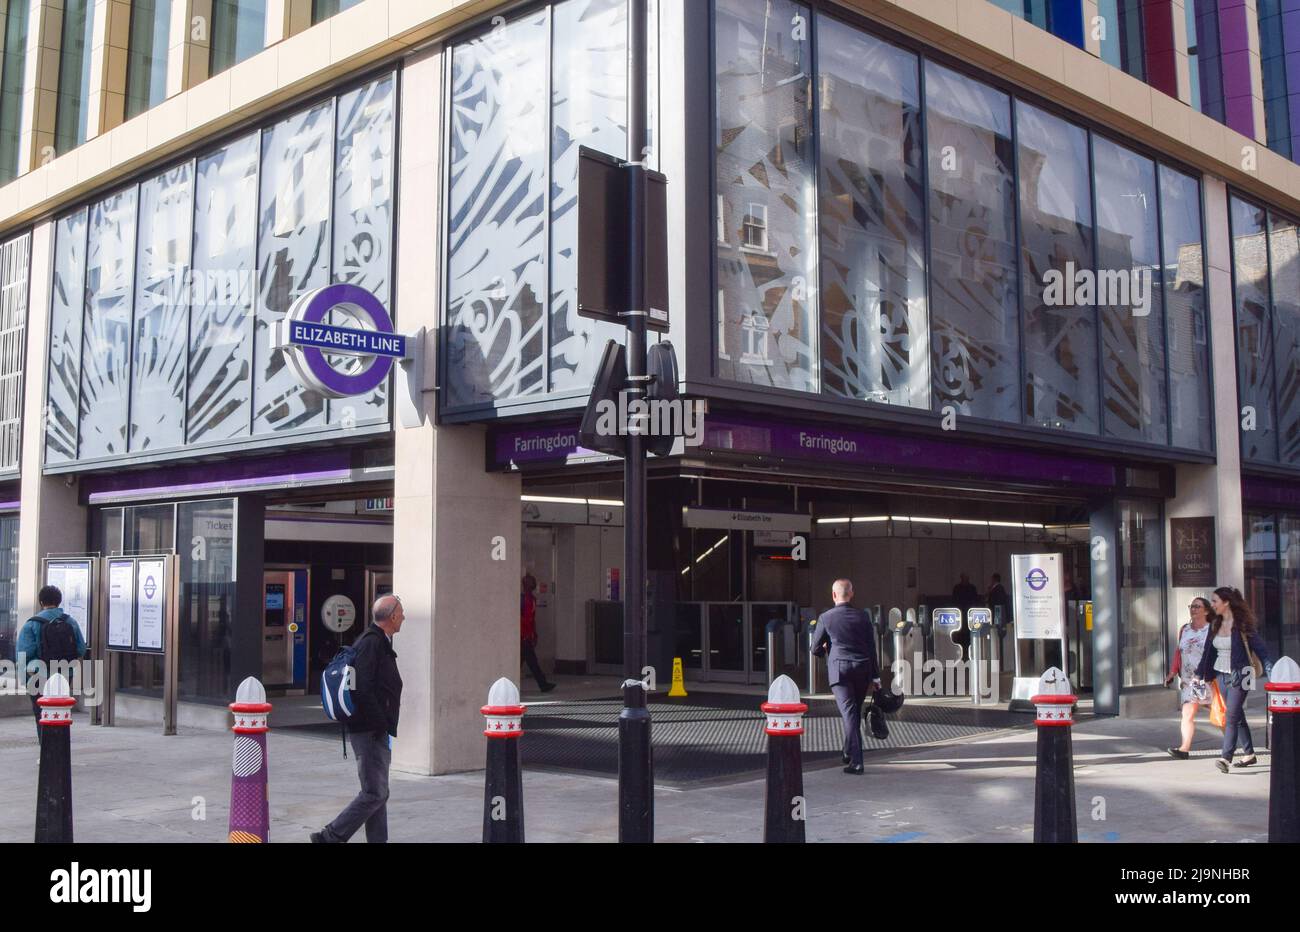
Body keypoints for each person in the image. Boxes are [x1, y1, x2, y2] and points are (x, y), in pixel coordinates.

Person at [312, 594, 405, 843]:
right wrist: (379, 723)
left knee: (378, 792)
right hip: (369, 730)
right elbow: (363, 687)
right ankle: (329, 836)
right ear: (393, 616)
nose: (404, 618)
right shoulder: (372, 643)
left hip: (372, 728)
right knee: (374, 792)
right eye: (402, 613)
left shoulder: (377, 641)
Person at [1193, 586, 1274, 773]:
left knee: (1231, 715)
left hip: (1242, 673)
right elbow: (1208, 652)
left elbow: (1261, 650)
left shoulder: (1243, 625)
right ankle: (1249, 753)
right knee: (1236, 714)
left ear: (1226, 602)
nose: (1212, 605)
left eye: (1215, 601)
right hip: (1221, 674)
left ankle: (1226, 757)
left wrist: (1273, 673)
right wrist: (1199, 673)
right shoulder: (1214, 624)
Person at [810, 579, 880, 775]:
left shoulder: (826, 618)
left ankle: (857, 761)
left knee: (849, 714)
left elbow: (814, 648)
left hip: (840, 671)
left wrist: (826, 650)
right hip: (862, 669)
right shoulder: (863, 617)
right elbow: (871, 648)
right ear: (851, 594)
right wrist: (876, 677)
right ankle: (848, 751)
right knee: (854, 711)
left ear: (833, 595)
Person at [16, 585, 87, 738]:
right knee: (60, 712)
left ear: (41, 602)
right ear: (59, 601)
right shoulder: (71, 622)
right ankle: (59, 748)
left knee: (41, 713)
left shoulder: (32, 624)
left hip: (38, 675)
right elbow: (81, 649)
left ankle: (46, 751)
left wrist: (23, 678)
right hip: (64, 674)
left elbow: (23, 653)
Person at [1163, 596, 1213, 759]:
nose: (1193, 609)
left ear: (1206, 610)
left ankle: (1233, 740)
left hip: (1205, 678)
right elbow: (1179, 651)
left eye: (1197, 606)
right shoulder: (1184, 629)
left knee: (1217, 711)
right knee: (1187, 713)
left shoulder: (1211, 630)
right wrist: (1172, 671)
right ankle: (1184, 748)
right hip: (1188, 679)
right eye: (1191, 606)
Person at [520, 575, 556, 693]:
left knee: (529, 661)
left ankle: (543, 684)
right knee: (532, 661)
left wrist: (534, 633)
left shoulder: (531, 599)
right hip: (523, 636)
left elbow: (532, 618)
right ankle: (543, 684)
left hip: (526, 635)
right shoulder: (522, 599)